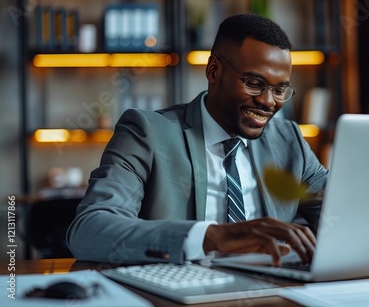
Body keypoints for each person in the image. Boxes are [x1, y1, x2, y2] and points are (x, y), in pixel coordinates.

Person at [66, 14, 328, 266]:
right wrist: (214, 237)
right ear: (214, 70)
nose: (268, 101)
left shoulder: (289, 140)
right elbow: (89, 229)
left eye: (280, 89)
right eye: (254, 83)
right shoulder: (147, 132)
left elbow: (344, 213)